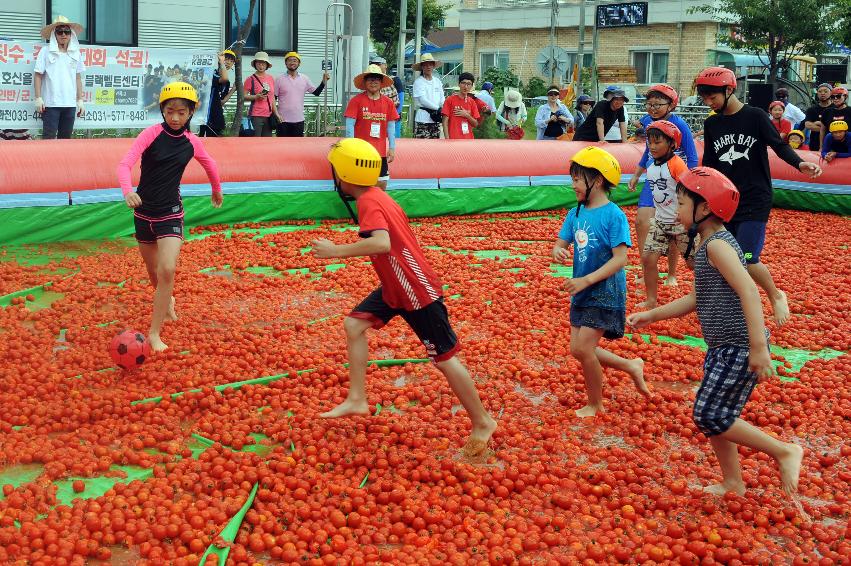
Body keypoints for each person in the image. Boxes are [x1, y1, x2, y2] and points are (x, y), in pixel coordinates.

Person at [312, 138, 498, 456]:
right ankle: (357, 397)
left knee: (444, 358)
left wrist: (336, 251)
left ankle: (482, 421)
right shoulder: (377, 196)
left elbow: (382, 244)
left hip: (413, 288)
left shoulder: (369, 202)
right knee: (354, 325)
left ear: (344, 174)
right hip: (396, 287)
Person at [627, 167, 803, 498]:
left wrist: (757, 348)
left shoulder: (718, 246)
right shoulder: (708, 242)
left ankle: (783, 451)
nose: (677, 209)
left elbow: (749, 291)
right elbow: (698, 297)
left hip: (739, 346)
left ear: (704, 208)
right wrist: (652, 315)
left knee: (709, 414)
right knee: (716, 415)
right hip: (724, 347)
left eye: (681, 203)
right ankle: (733, 482)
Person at [695, 66, 821, 326]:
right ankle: (733, 307)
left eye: (713, 96)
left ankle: (775, 295)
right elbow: (709, 163)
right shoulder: (712, 123)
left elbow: (779, 145)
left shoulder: (755, 117)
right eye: (704, 97)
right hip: (724, 202)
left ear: (729, 90)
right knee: (722, 258)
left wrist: (800, 164)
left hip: (755, 198)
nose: (709, 101)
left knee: (748, 258)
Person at [117, 82, 223, 353]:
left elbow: (209, 163)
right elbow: (125, 163)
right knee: (153, 273)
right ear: (163, 110)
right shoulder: (151, 134)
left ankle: (154, 333)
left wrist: (216, 189)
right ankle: (168, 301)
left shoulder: (191, 141)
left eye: (182, 112)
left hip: (170, 214)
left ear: (190, 114)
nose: (175, 117)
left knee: (167, 269)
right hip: (143, 213)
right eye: (170, 111)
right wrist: (128, 191)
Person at [552, 147, 649, 418]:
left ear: (596, 180)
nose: (573, 185)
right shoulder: (576, 214)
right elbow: (561, 242)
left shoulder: (613, 215)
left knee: (584, 348)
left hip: (605, 291)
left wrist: (586, 280)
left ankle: (595, 404)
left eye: (577, 179)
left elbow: (621, 259)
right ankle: (631, 366)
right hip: (582, 290)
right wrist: (558, 250)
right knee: (578, 350)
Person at [627, 84, 699, 288]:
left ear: (671, 105)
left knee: (673, 225)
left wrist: (688, 188)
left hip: (674, 179)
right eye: (649, 104)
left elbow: (692, 158)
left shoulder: (680, 125)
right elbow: (647, 151)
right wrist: (637, 174)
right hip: (654, 178)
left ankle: (672, 273)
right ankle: (647, 270)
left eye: (658, 104)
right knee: (642, 221)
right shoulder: (649, 122)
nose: (653, 108)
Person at [638, 120, 691, 310]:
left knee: (694, 263)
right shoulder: (651, 166)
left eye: (657, 142)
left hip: (680, 223)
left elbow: (688, 190)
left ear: (672, 144)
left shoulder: (677, 165)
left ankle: (707, 296)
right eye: (649, 142)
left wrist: (686, 215)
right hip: (659, 222)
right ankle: (651, 299)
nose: (652, 146)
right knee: (648, 258)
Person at [344, 64, 399, 189]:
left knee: (382, 185)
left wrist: (392, 148)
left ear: (381, 82)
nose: (373, 82)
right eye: (370, 79)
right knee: (360, 185)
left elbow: (391, 127)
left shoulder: (388, 102)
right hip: (360, 152)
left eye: (376, 79)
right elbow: (349, 126)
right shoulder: (356, 101)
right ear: (365, 82)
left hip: (380, 153)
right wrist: (352, 148)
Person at [34, 16, 85, 139]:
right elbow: (38, 75)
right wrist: (38, 98)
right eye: (59, 31)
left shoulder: (76, 54)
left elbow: (78, 77)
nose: (63, 35)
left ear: (71, 34)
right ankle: (45, 159)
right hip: (51, 104)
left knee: (65, 139)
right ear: (54, 34)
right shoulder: (45, 52)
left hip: (70, 104)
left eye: (67, 31)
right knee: (49, 138)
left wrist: (80, 100)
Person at [274, 51, 329, 137]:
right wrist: (276, 114)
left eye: (295, 60)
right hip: (282, 120)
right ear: (286, 63)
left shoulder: (305, 78)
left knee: (297, 147)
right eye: (290, 60)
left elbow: (316, 92)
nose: (292, 62)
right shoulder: (279, 79)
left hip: (299, 120)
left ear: (299, 63)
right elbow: (273, 98)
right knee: (282, 147)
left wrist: (324, 81)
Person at [243, 51, 282, 137]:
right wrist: (256, 97)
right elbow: (243, 96)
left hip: (269, 116)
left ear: (267, 65)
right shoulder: (250, 79)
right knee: (256, 142)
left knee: (266, 144)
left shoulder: (271, 78)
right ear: (255, 64)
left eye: (263, 63)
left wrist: (276, 114)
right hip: (256, 115)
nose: (261, 66)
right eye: (259, 63)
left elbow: (272, 99)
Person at [199, 50, 236, 137]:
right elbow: (223, 79)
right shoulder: (211, 74)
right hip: (206, 116)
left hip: (217, 116)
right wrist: (222, 62)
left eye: (231, 61)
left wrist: (233, 90)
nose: (229, 62)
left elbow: (222, 102)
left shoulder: (227, 83)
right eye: (226, 59)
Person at [369, 55, 405, 137]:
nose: (376, 66)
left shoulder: (395, 80)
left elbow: (401, 99)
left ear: (385, 65)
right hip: (377, 118)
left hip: (394, 117)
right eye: (374, 64)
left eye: (378, 64)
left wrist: (395, 115)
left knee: (394, 142)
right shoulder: (371, 82)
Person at [412, 54, 445, 139]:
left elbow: (442, 97)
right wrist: (437, 108)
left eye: (430, 64)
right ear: (422, 67)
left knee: (435, 147)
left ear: (433, 66)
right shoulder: (419, 82)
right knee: (421, 147)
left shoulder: (437, 81)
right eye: (425, 65)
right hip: (423, 119)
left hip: (436, 119)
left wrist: (442, 107)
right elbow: (423, 100)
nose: (428, 67)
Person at [441, 72, 480, 139]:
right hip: (453, 139)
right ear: (459, 84)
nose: (466, 86)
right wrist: (447, 140)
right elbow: (445, 122)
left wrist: (467, 115)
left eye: (468, 84)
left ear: (472, 86)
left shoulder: (472, 102)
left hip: (468, 140)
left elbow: (475, 124)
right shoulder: (449, 100)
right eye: (463, 83)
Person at [803, 83, 833, 153]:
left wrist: (819, 124)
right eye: (820, 91)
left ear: (831, 93)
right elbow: (807, 125)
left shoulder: (835, 108)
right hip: (815, 144)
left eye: (825, 91)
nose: (822, 93)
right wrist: (827, 129)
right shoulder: (812, 109)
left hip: (833, 145)